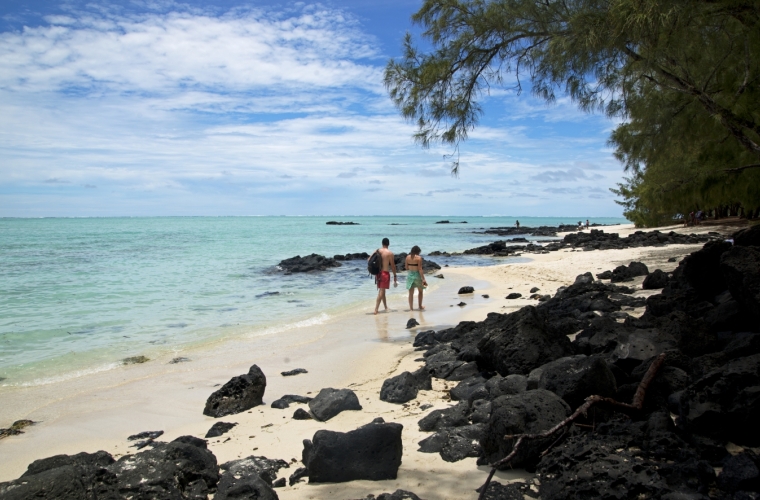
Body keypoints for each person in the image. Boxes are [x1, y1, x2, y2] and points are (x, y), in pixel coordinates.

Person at [371, 237, 397, 314]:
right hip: (385, 273)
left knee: (382, 291)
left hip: (378, 273)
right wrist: (395, 275)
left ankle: (385, 307)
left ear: (382, 244)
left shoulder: (377, 251)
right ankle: (376, 309)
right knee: (382, 291)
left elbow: (369, 260)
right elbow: (393, 266)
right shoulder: (390, 253)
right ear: (388, 244)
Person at [405, 245, 427, 310]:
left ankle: (411, 308)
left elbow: (406, 267)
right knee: (420, 291)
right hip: (417, 275)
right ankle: (420, 306)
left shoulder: (407, 257)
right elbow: (420, 269)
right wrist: (423, 279)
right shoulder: (419, 258)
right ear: (418, 252)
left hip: (410, 275)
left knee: (410, 293)